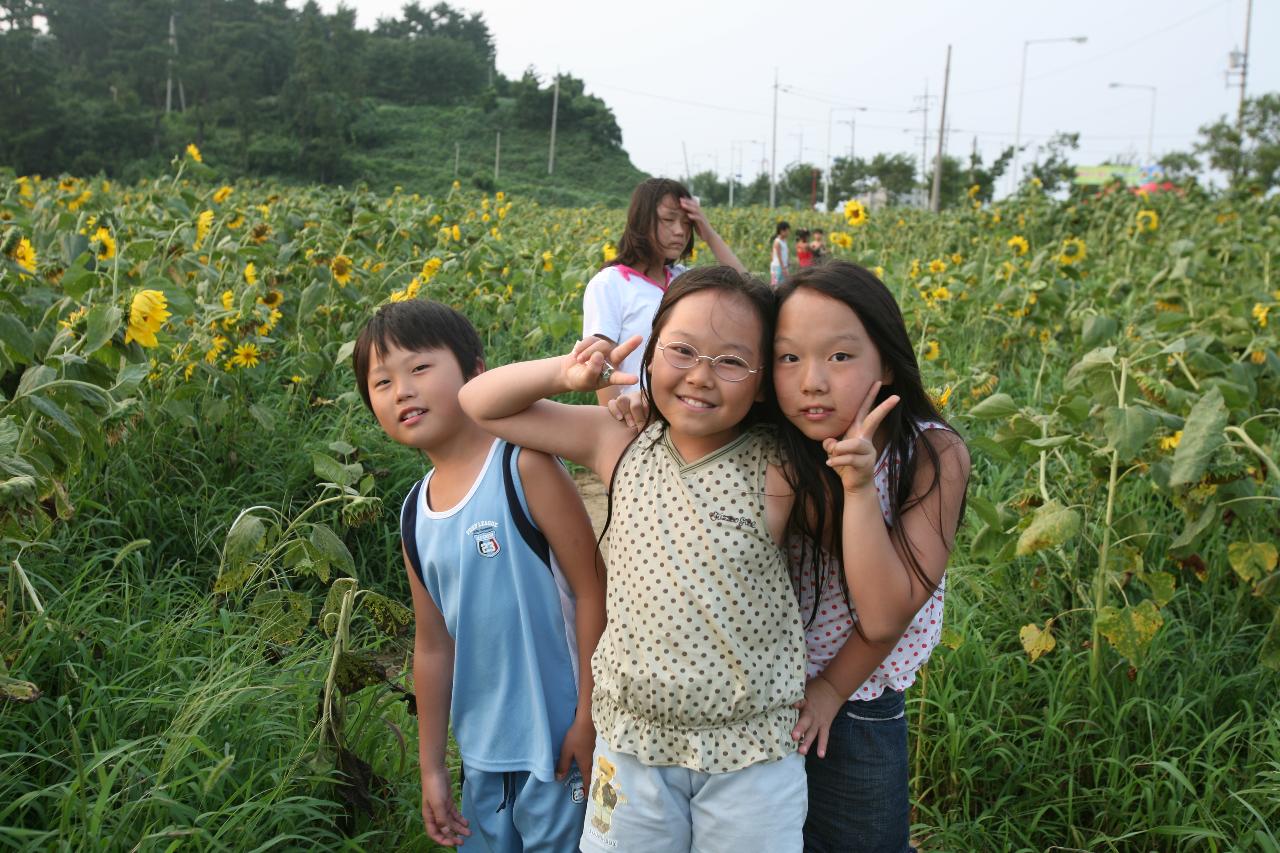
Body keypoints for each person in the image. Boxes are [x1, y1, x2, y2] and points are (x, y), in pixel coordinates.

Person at [460, 266, 808, 853]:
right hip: (630, 743)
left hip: (751, 751)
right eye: (682, 350)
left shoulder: (781, 465)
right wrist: (565, 374)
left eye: (731, 361)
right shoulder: (617, 440)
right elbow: (479, 404)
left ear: (764, 381)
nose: (701, 376)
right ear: (650, 352)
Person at [353, 299, 607, 851]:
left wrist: (589, 718)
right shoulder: (414, 512)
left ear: (475, 371)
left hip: (560, 748)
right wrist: (431, 769)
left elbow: (593, 592)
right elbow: (432, 645)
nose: (402, 391)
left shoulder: (525, 467)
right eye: (381, 382)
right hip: (482, 762)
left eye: (420, 368)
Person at [773, 262, 970, 853]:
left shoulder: (931, 452)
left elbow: (886, 613)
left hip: (857, 704)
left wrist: (859, 488)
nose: (812, 381)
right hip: (759, 694)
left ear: (886, 362)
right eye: (788, 358)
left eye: (839, 357)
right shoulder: (772, 444)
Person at [582, 177, 745, 405]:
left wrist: (707, 232)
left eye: (688, 224)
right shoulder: (611, 283)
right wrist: (615, 423)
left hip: (684, 411)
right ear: (641, 221)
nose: (680, 231)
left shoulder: (686, 278)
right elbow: (601, 362)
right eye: (668, 219)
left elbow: (744, 287)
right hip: (633, 417)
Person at [771, 221, 791, 286]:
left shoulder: (784, 241)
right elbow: (779, 256)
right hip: (777, 266)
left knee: (782, 284)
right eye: (787, 231)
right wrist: (783, 268)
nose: (788, 233)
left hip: (783, 266)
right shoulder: (777, 242)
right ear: (782, 231)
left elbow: (785, 252)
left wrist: (788, 262)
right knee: (774, 284)